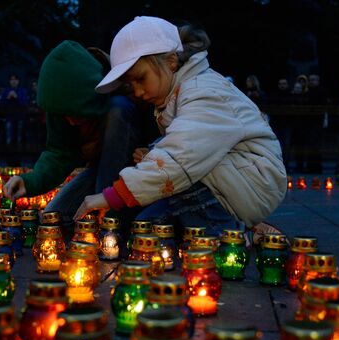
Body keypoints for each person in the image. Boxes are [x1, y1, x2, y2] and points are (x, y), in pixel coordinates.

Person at [74, 16, 287, 235]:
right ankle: (235, 227)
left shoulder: (203, 92)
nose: (137, 91)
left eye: (141, 79)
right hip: (225, 182)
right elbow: (188, 145)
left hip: (252, 186)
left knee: (150, 227)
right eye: (130, 84)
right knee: (147, 224)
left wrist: (111, 196)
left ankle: (230, 234)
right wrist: (154, 153)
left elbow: (181, 156)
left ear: (171, 61)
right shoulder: (178, 95)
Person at [3, 40, 149, 227]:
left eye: (75, 114)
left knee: (118, 110)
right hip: (98, 173)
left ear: (90, 100)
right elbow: (60, 154)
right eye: (64, 115)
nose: (70, 121)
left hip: (139, 175)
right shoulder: (60, 106)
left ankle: (110, 223)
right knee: (53, 217)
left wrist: (149, 152)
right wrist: (29, 182)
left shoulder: (130, 92)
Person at [0, 74, 29, 163]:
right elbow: (1, 104)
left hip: (20, 118)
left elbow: (25, 103)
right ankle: (9, 160)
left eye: (15, 79)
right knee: (9, 139)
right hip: (9, 119)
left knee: (19, 139)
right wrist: (8, 97)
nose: (13, 81)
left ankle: (18, 160)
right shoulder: (5, 91)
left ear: (18, 81)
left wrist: (16, 97)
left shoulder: (22, 91)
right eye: (12, 79)